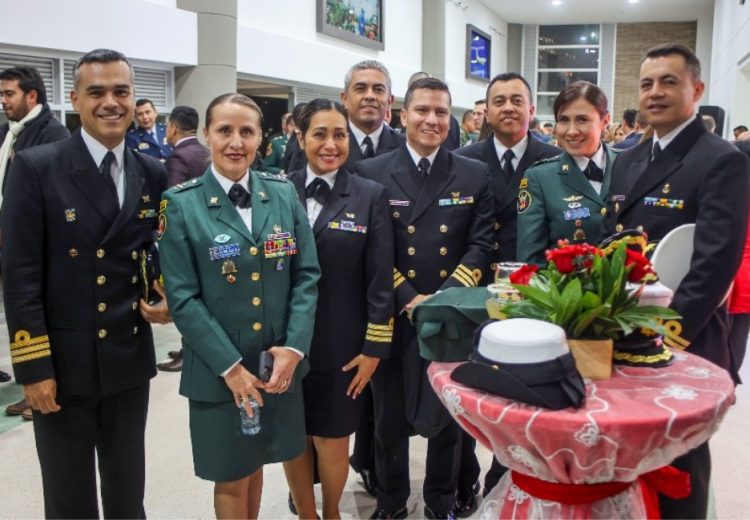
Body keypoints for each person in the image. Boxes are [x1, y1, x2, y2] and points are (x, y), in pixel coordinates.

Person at [1, 48, 169, 518]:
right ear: (75, 99)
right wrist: (33, 369)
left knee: (126, 494)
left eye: (121, 91)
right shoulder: (37, 167)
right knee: (69, 497)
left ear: (135, 99)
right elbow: (20, 276)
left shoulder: (151, 172)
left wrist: (163, 293)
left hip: (127, 359)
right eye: (96, 92)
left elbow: (148, 252)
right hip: (63, 362)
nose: (110, 102)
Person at [601, 43, 750, 519]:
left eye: (669, 81)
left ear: (697, 90)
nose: (655, 93)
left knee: (679, 455)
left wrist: (666, 334)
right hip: (623, 332)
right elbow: (613, 246)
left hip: (682, 337)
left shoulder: (721, 160)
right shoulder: (627, 158)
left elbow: (713, 266)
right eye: (647, 84)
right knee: (627, 446)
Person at [158, 92, 320, 520]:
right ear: (207, 135)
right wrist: (229, 367)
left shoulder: (282, 194)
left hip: (276, 367)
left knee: (259, 461)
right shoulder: (181, 204)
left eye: (246, 131)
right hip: (218, 371)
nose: (235, 142)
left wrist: (295, 348)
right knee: (230, 475)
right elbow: (183, 297)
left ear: (260, 139)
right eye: (224, 130)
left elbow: (306, 275)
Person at [359, 77, 494, 520]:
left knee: (449, 422)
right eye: (422, 110)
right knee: (388, 420)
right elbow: (373, 248)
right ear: (403, 115)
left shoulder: (473, 172)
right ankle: (392, 501)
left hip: (449, 315)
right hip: (393, 314)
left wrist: (443, 296)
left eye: (441, 112)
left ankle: (440, 502)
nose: (431, 120)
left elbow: (480, 245)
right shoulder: (372, 171)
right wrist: (408, 296)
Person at [453, 71, 560, 508]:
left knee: (520, 391)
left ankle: (505, 475)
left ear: (532, 109)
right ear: (486, 110)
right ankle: (463, 480)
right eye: (499, 100)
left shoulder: (554, 158)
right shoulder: (463, 156)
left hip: (531, 294)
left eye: (518, 100)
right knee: (467, 387)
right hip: (474, 287)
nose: (509, 108)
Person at [284, 98, 394, 519]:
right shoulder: (276, 189)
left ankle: (330, 513)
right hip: (285, 342)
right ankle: (306, 514)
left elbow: (380, 280)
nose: (330, 144)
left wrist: (373, 349)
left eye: (339, 134)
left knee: (332, 438)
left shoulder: (370, 195)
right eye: (320, 134)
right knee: (293, 436)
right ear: (301, 136)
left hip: (342, 344)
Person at [0, 65, 70, 392]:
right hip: (4, 234)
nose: (3, 100)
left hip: (30, 241)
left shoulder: (53, 135)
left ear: (31, 95)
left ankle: (37, 383)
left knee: (32, 306)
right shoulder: (7, 132)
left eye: (8, 94)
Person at [517, 81, 614, 267]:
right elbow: (531, 263)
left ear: (605, 121)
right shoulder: (540, 178)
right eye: (563, 120)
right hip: (566, 293)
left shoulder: (629, 166)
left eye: (582, 119)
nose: (571, 131)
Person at [155, 105, 211, 373]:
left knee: (184, 296)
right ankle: (190, 348)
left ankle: (188, 353)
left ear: (173, 128)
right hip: (211, 233)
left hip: (187, 237)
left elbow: (172, 198)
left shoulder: (178, 156)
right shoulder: (204, 151)